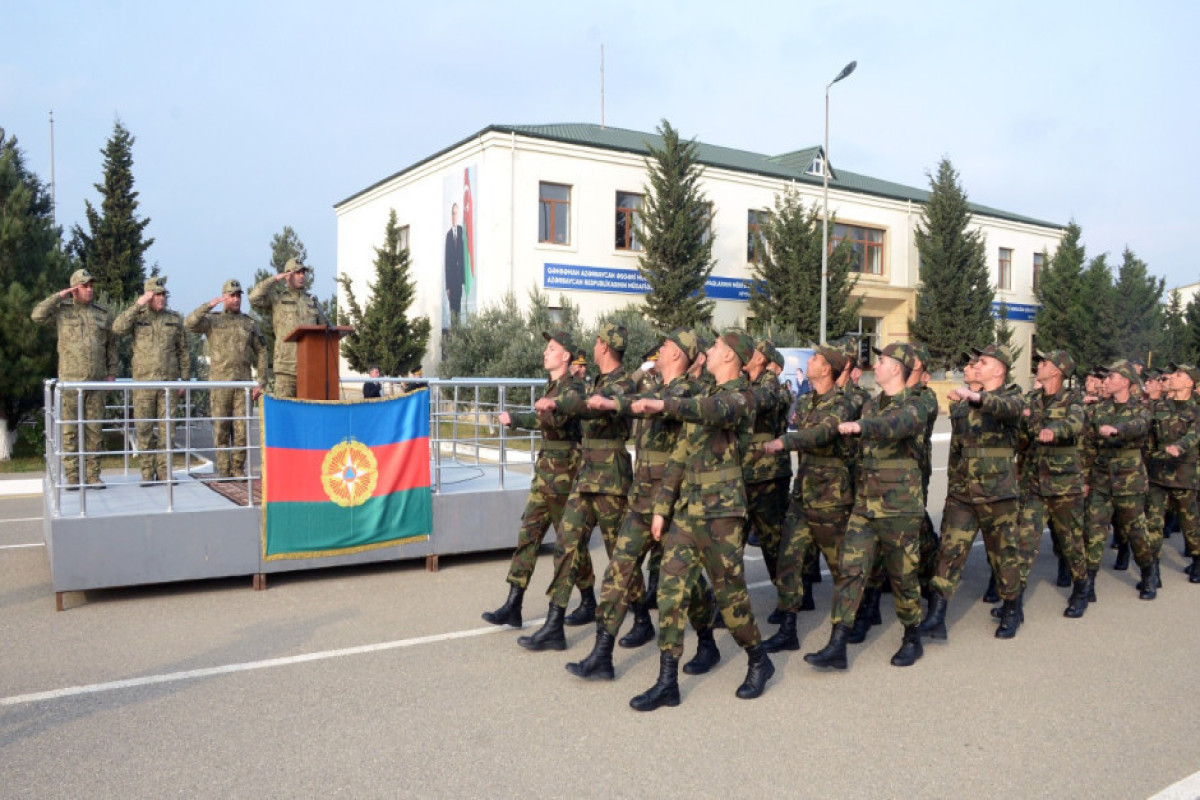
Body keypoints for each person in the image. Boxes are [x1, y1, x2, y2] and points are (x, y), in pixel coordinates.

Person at [627, 328, 774, 709]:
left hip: (723, 513)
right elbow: (678, 456)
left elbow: (712, 412)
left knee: (731, 598)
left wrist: (664, 407)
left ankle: (759, 658)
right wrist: (661, 508)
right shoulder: (703, 394)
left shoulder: (742, 397)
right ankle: (666, 682)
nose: (708, 350)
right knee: (670, 592)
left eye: (716, 346)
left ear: (730, 357)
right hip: (688, 512)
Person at [566, 328, 717, 680]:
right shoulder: (654, 387)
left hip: (674, 503)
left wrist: (613, 403)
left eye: (665, 345)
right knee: (619, 568)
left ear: (678, 354)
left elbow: (646, 408)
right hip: (641, 500)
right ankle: (602, 653)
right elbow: (634, 398)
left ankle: (707, 640)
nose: (658, 349)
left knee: (686, 581)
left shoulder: (686, 393)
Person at [805, 342, 930, 670]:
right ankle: (838, 642)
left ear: (898, 368)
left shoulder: (917, 404)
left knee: (903, 576)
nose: (878, 363)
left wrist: (863, 427)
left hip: (900, 507)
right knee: (850, 571)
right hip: (866, 505)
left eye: (884, 359)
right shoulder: (871, 405)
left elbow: (900, 425)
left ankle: (912, 636)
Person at [517, 323, 634, 651]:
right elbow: (576, 399)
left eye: (598, 341)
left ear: (606, 347)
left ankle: (640, 616)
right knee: (567, 544)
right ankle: (554, 624)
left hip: (610, 478)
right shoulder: (594, 382)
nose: (593, 346)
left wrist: (559, 405)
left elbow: (590, 404)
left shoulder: (621, 383)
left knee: (619, 553)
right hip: (586, 476)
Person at [481, 330, 591, 629]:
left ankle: (589, 597)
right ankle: (513, 604)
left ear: (566, 356)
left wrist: (517, 419)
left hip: (563, 474)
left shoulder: (574, 389)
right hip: (546, 473)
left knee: (568, 544)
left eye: (552, 348)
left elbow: (553, 417)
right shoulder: (553, 385)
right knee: (528, 535)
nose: (546, 353)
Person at [918, 344, 1025, 641]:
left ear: (999, 369)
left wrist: (977, 397)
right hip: (963, 493)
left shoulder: (1013, 397)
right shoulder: (962, 404)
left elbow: (1008, 409)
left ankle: (1012, 608)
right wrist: (953, 486)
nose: (976, 365)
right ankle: (937, 616)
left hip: (998, 493)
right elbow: (957, 450)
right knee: (948, 553)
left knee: (1004, 555)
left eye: (984, 362)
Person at [760, 344, 853, 652]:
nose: (809, 361)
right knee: (789, 560)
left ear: (827, 369)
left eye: (815, 358)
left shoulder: (842, 403)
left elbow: (822, 434)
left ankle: (846, 630)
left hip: (831, 496)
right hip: (803, 494)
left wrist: (784, 442)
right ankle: (788, 629)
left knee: (842, 567)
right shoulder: (806, 399)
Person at [1014, 350, 1090, 618]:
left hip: (1064, 486)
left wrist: (1053, 431)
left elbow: (1074, 424)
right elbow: (1021, 432)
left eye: (1044, 363)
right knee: (1024, 544)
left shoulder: (1073, 400)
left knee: (1071, 544)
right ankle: (1013, 604)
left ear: (1057, 371)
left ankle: (1081, 588)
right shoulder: (1032, 399)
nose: (1039, 366)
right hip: (1035, 484)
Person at [31, 268, 116, 489]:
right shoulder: (62, 310)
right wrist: (59, 296)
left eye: (91, 286)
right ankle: (72, 476)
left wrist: (111, 374)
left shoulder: (101, 313)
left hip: (96, 383)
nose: (90, 289)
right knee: (70, 432)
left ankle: (93, 475)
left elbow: (111, 346)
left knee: (94, 431)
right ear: (75, 288)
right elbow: (37, 315)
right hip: (71, 382)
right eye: (85, 285)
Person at [1083, 360, 1158, 600]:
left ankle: (1148, 573)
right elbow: (1088, 446)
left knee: (1135, 532)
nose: (1106, 381)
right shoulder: (1098, 410)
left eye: (1111, 377)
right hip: (1101, 479)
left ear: (1125, 381)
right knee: (1093, 530)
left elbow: (1140, 426)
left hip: (1130, 481)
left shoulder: (1141, 409)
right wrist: (1084, 478)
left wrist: (1118, 430)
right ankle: (1088, 583)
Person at [185, 279, 267, 478]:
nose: (236, 299)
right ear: (224, 297)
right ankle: (223, 469)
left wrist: (261, 381)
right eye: (232, 295)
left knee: (241, 430)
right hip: (220, 384)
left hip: (243, 385)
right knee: (221, 427)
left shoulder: (249, 323)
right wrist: (209, 305)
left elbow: (262, 350)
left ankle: (238, 468)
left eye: (239, 295)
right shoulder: (213, 321)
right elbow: (189, 324)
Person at [113, 276, 189, 485]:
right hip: (144, 384)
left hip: (168, 384)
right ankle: (147, 473)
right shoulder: (137, 317)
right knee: (144, 429)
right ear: (148, 296)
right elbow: (118, 328)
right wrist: (138, 304)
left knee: (167, 431)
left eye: (164, 294)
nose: (162, 298)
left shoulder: (173, 319)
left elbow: (182, 351)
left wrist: (184, 379)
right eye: (157, 294)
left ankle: (165, 472)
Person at [742, 339, 793, 619]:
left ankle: (787, 603)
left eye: (754, 352)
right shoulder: (744, 381)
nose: (747, 355)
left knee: (773, 543)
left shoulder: (773, 386)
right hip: (743, 473)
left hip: (768, 474)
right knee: (731, 544)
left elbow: (761, 403)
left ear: (764, 360)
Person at [1145, 363, 1200, 584]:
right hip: (1158, 474)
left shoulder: (1197, 409)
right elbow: (1149, 439)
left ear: (1190, 382)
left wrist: (1179, 446)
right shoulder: (1159, 407)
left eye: (1179, 375)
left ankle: (1197, 561)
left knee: (1190, 524)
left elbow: (1195, 435)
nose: (1172, 378)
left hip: (1185, 474)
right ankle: (1153, 571)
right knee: (1153, 523)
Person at [249, 258, 321, 398]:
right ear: (288, 275)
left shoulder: (312, 301)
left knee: (307, 416)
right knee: (285, 416)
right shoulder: (277, 299)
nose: (302, 276)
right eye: (297, 273)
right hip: (285, 371)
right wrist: (275, 279)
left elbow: (325, 330)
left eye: (303, 273)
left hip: (309, 370)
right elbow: (254, 298)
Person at [444, 203, 465, 322]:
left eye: (456, 213)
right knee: (453, 310)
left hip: (460, 280)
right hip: (451, 282)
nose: (454, 216)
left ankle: (459, 332)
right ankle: (454, 334)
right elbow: (446, 261)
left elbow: (463, 257)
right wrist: (447, 287)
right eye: (453, 213)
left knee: (459, 308)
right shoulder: (448, 235)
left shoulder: (462, 232)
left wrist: (464, 281)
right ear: (451, 215)